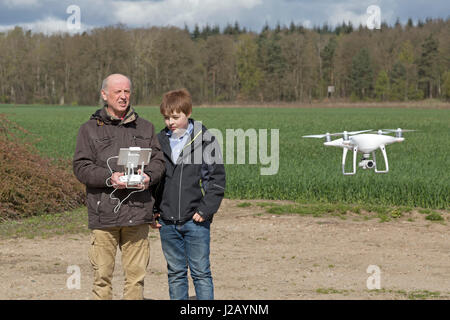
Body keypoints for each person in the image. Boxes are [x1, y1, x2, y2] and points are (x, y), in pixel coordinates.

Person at [73, 73, 165, 300]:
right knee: (102, 277)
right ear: (104, 95)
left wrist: (148, 177)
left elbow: (159, 162)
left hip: (138, 212)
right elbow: (81, 167)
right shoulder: (89, 129)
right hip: (104, 215)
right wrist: (109, 177)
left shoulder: (146, 127)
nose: (123, 97)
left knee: (136, 278)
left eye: (126, 91)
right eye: (117, 92)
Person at [151, 88, 226, 300]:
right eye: (166, 117)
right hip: (167, 222)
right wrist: (154, 210)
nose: (170, 122)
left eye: (176, 117)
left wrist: (206, 209)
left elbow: (217, 179)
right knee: (175, 273)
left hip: (196, 220)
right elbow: (154, 180)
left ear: (189, 112)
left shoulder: (205, 140)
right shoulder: (159, 141)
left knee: (201, 273)